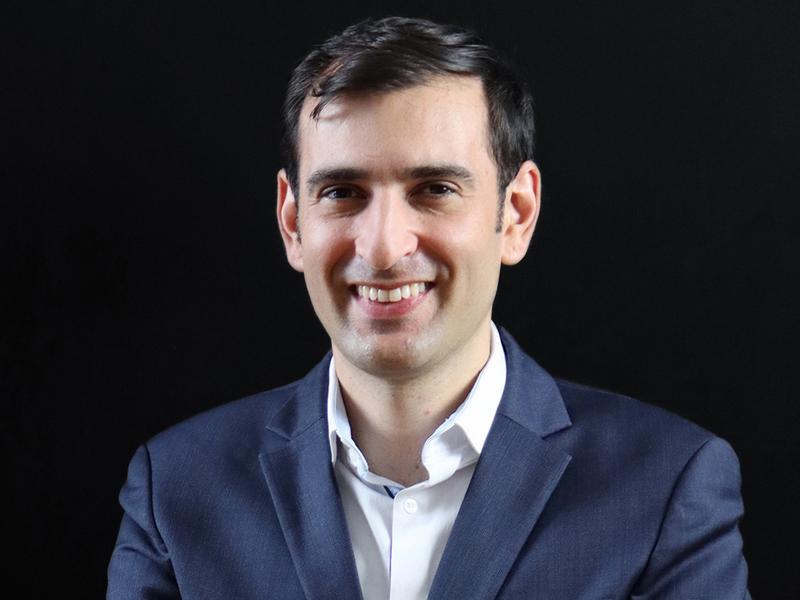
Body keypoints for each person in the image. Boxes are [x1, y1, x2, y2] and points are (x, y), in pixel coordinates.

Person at [107, 16, 750, 600]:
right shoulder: (176, 491)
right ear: (293, 222)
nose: (384, 248)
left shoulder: (664, 489)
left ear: (516, 214)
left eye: (435, 189)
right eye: (342, 192)